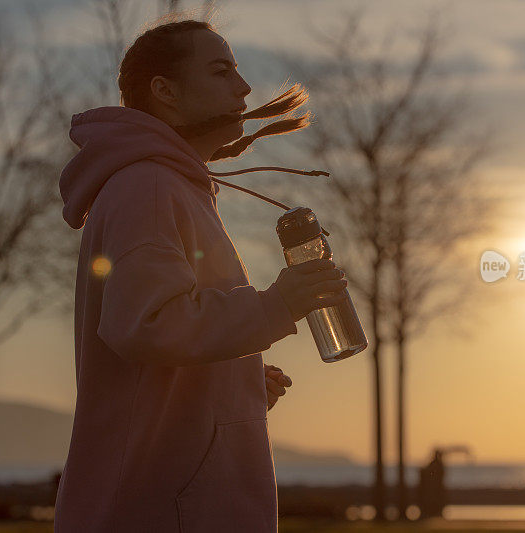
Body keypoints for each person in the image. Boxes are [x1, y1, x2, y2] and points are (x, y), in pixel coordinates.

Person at [54, 17, 348, 532]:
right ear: (165, 91)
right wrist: (277, 305)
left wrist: (229, 381)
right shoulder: (146, 186)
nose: (245, 87)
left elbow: (156, 331)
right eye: (220, 71)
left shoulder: (170, 186)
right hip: (162, 512)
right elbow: (150, 324)